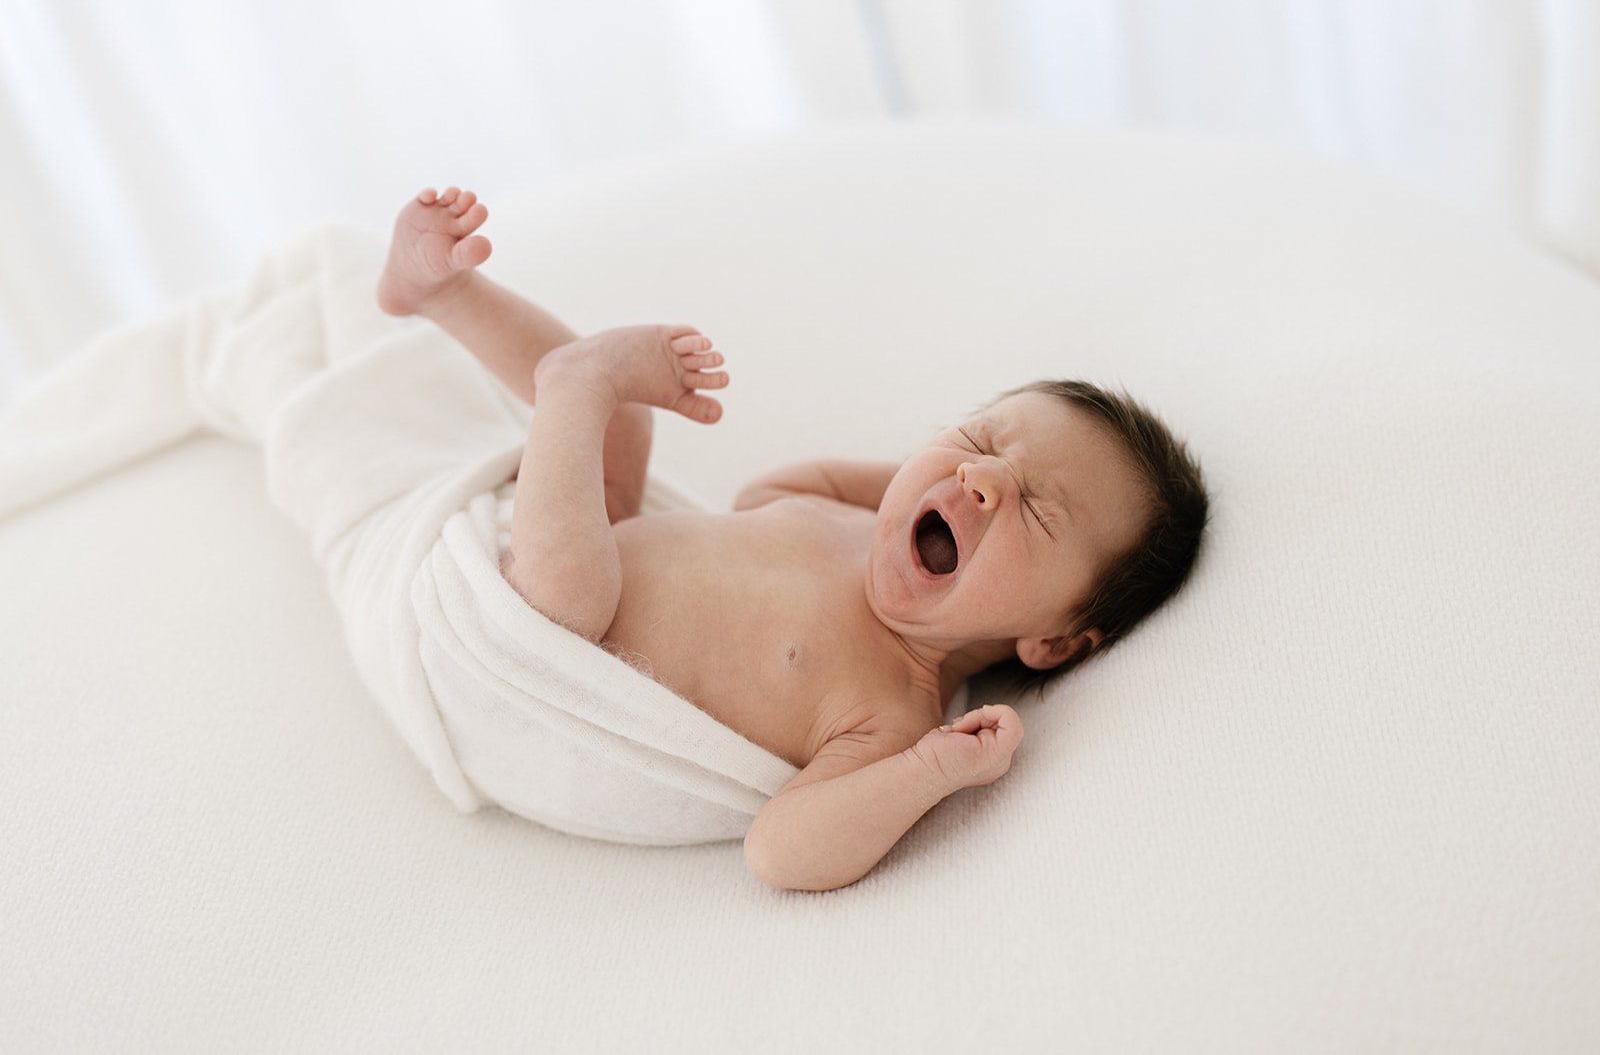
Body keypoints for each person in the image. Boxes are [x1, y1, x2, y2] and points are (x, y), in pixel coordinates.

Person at [377, 186, 1208, 891]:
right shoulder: (846, 521)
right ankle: (444, 297)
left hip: (541, 652)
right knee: (618, 432)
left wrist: (931, 774)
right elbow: (762, 496)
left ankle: (575, 383)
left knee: (572, 579)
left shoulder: (893, 710)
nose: (983, 479)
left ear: (1055, 641)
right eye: (981, 439)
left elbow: (781, 851)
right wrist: (936, 479)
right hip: (578, 553)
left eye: (1037, 509)